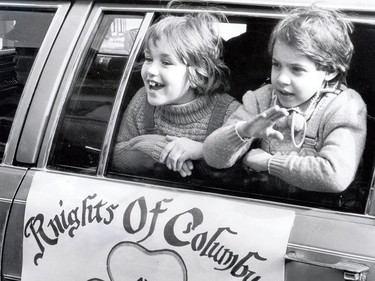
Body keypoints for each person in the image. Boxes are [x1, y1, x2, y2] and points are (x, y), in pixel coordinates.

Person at [203, 6, 367, 193]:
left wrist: (269, 162)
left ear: (330, 71)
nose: (281, 78)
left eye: (297, 69)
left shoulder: (344, 107)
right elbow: (213, 157)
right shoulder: (262, 98)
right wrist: (243, 131)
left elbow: (335, 175)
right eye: (276, 65)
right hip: (259, 207)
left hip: (319, 214)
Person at [111, 12, 240, 178]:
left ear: (198, 74)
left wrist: (203, 150)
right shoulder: (142, 101)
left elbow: (240, 167)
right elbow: (115, 156)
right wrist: (152, 146)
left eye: (166, 62)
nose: (150, 69)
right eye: (149, 58)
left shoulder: (228, 113)